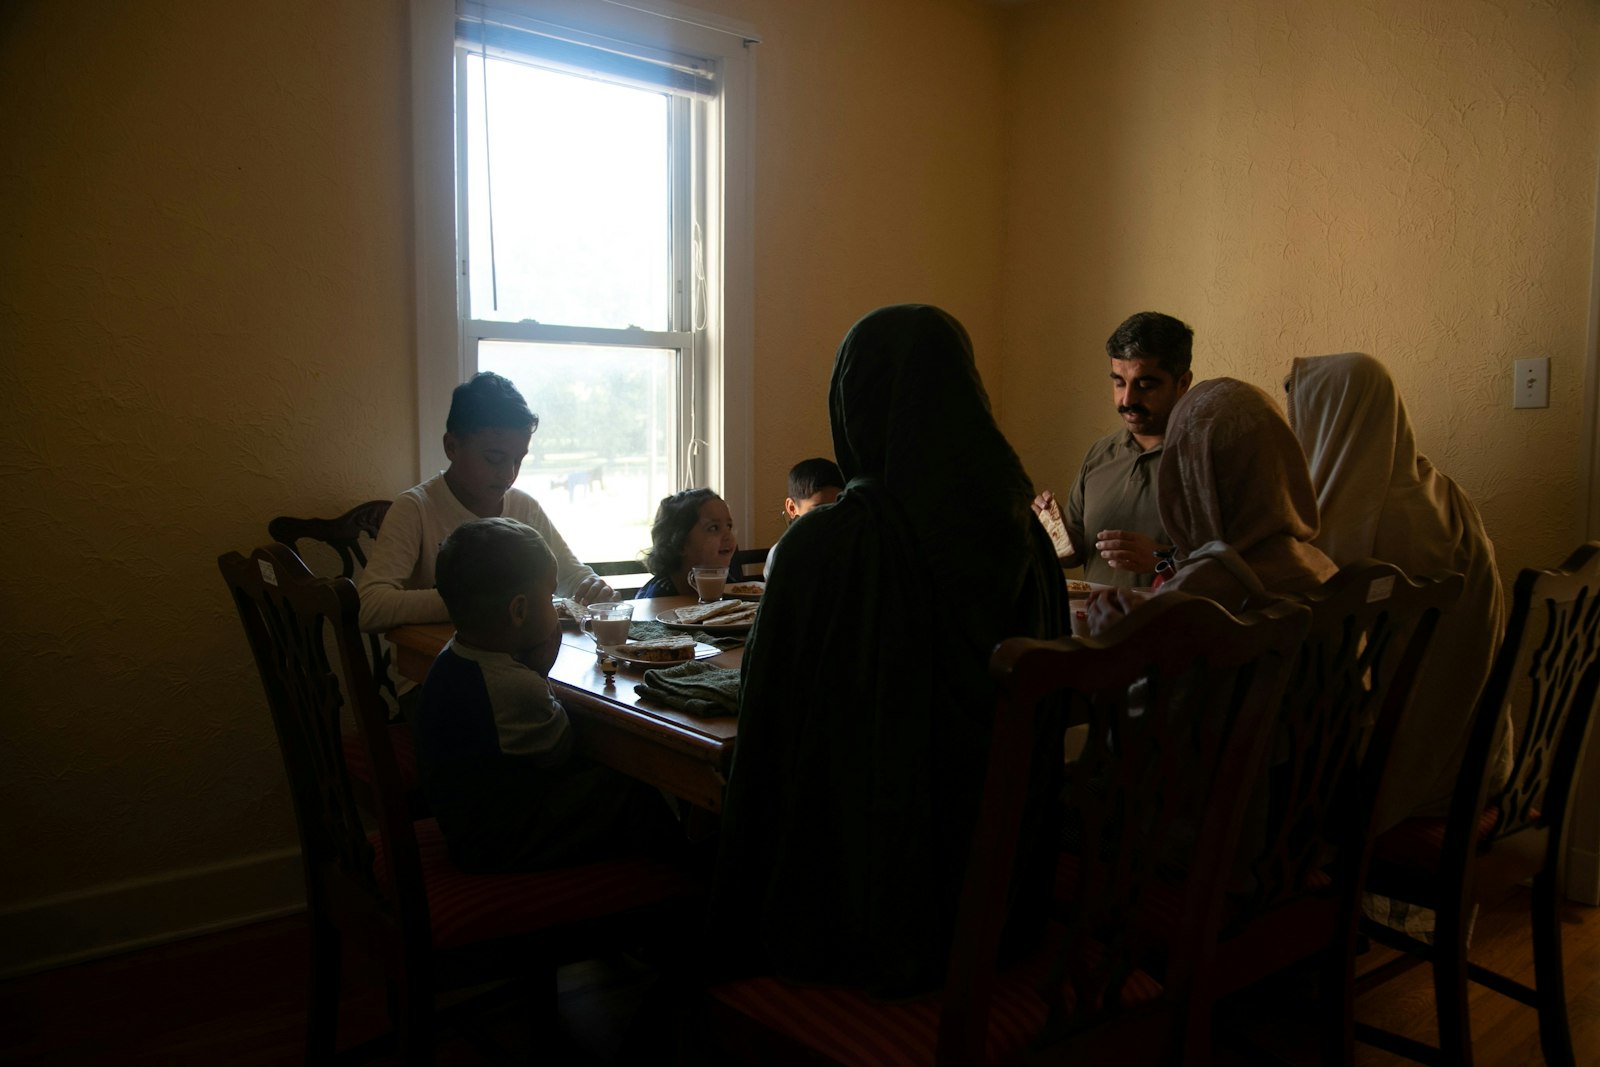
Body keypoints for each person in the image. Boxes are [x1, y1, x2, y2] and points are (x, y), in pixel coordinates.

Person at [716, 304, 1067, 996]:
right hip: (1006, 914)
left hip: (864, 931)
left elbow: (766, 740)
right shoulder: (1030, 542)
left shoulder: (828, 543)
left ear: (855, 405)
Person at [1285, 352, 1509, 832]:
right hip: (1471, 753)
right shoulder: (1444, 491)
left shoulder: (1350, 515)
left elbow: (1310, 629)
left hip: (1390, 767)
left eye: (1302, 415)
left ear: (1336, 416)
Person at [415, 517, 677, 872]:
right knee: (638, 787)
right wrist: (542, 669)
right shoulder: (516, 686)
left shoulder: (454, 655)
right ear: (519, 611)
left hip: (465, 825)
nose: (556, 607)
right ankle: (681, 886)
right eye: (550, 596)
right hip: (503, 842)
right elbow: (562, 748)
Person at [357, 372, 613, 633]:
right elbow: (370, 606)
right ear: (452, 447)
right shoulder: (414, 509)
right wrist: (478, 603)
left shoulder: (525, 508)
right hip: (430, 667)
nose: (508, 474)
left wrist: (591, 586)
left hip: (516, 666)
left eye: (518, 460)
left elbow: (569, 575)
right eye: (494, 458)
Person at [1085, 377, 1338, 634]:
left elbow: (1149, 665)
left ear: (1195, 480)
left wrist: (1118, 629)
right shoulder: (1320, 568)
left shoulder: (1201, 595)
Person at [1033, 311, 1195, 587]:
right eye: (1119, 382)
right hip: (1094, 627)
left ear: (1182, 383)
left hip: (1173, 628)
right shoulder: (1100, 454)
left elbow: (1237, 566)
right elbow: (1075, 554)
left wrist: (1161, 559)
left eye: (1145, 384)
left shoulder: (1204, 459)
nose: (1127, 399)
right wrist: (1050, 530)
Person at [637, 488, 745, 598]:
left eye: (729, 526)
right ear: (680, 543)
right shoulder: (660, 595)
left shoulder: (729, 584)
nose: (728, 536)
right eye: (713, 528)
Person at [764, 457, 845, 578]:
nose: (831, 518)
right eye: (819, 510)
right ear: (792, 508)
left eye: (837, 508)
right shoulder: (783, 554)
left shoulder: (851, 549)